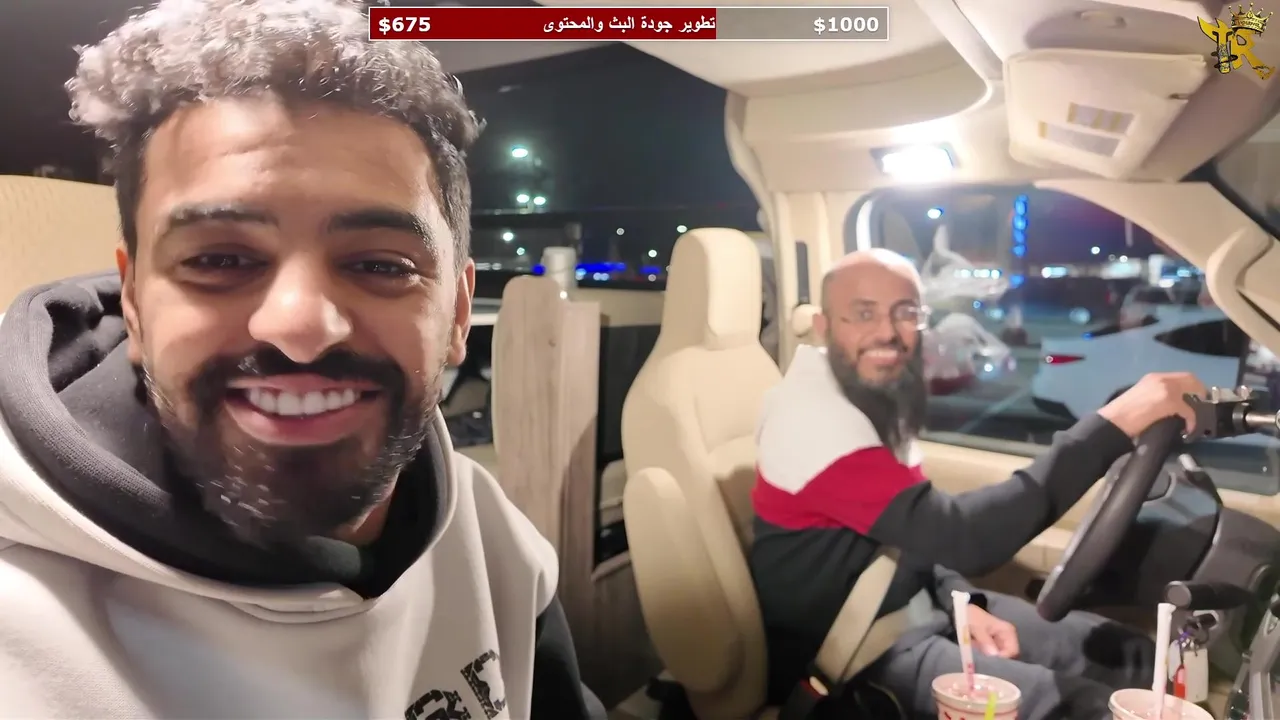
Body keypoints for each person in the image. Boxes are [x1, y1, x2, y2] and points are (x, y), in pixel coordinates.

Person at [0, 1, 605, 718]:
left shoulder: (490, 534)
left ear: (455, 312)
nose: (300, 328)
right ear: (132, 300)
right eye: (220, 260)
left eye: (380, 265)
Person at [750, 249, 1207, 720]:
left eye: (904, 313)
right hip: (853, 657)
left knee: (1132, 655)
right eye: (863, 313)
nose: (887, 332)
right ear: (824, 326)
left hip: (915, 606)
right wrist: (1118, 421)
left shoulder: (870, 399)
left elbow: (914, 534)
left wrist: (960, 603)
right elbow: (963, 537)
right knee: (1092, 710)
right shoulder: (812, 419)